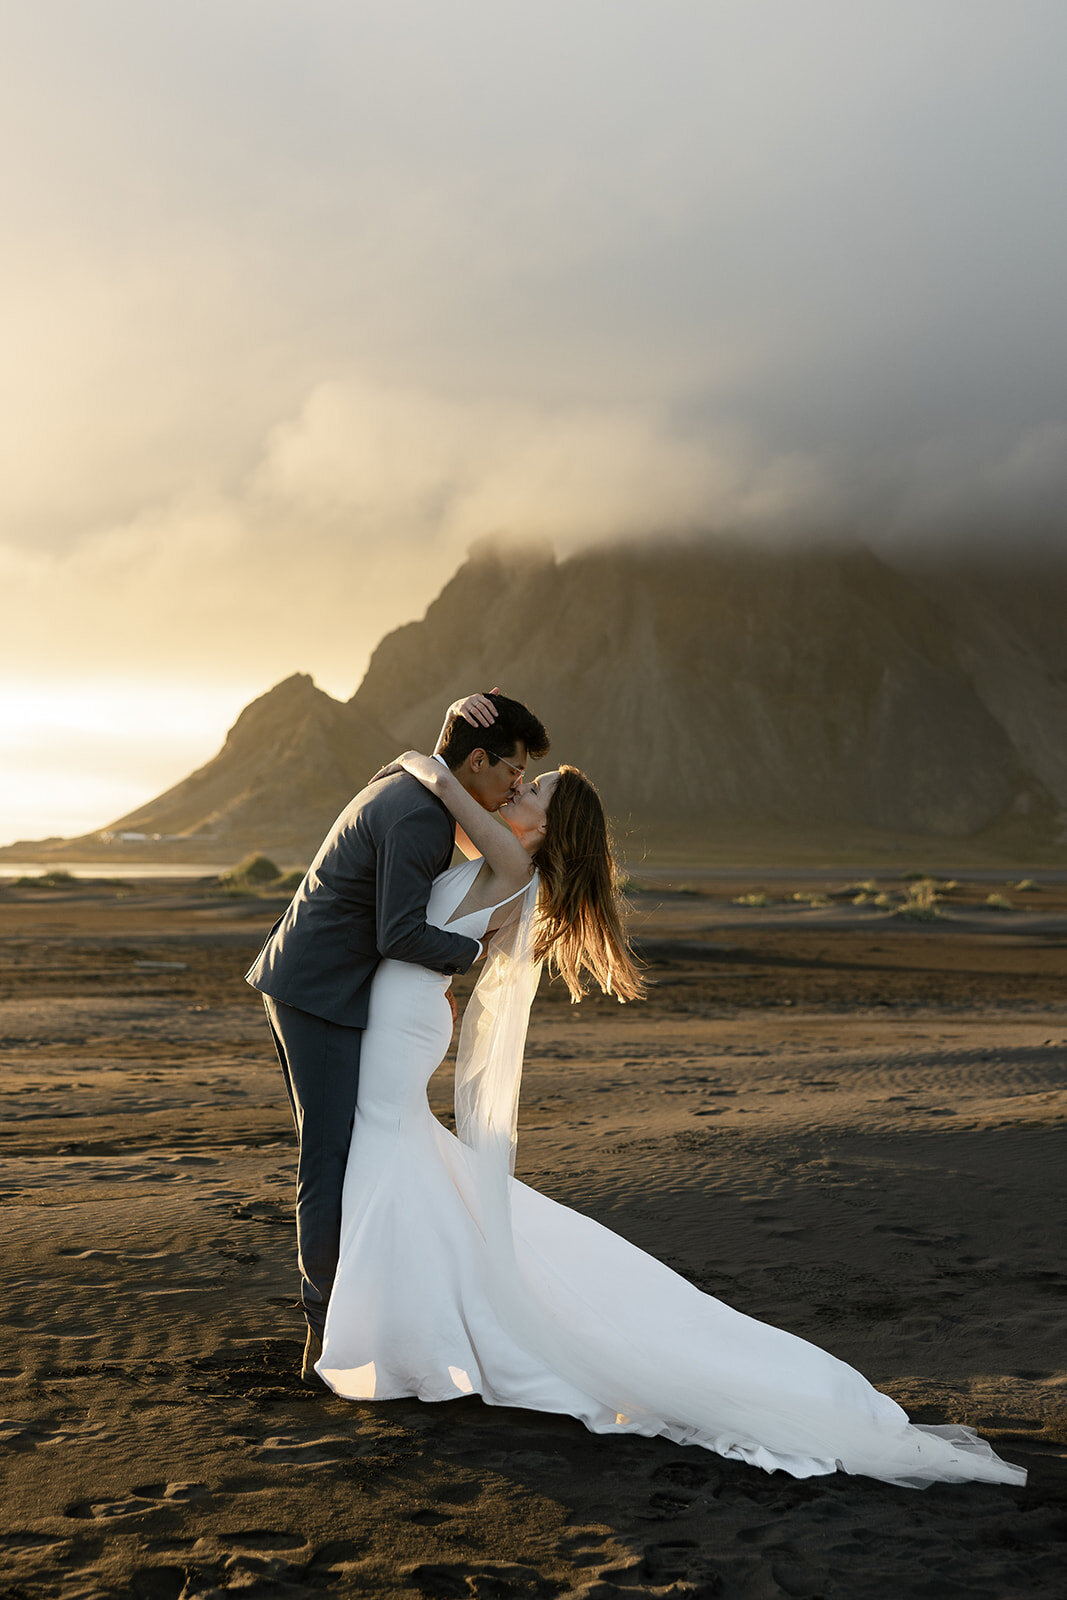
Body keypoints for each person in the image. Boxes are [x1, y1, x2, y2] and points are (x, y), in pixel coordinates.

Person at [316, 696, 1024, 1490]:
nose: (520, 792)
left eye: (534, 793)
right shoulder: (505, 861)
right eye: (522, 780)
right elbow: (451, 816)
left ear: (547, 832)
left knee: (392, 1150)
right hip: (407, 1018)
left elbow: (444, 786)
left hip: (403, 1025)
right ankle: (402, 1331)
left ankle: (388, 1336)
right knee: (406, 1162)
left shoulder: (513, 863)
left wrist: (423, 754)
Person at [246, 689, 550, 1382]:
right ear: (477, 760)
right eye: (510, 771)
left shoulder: (412, 786)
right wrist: (475, 955)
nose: (512, 785)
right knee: (329, 1156)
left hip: (314, 984)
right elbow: (400, 934)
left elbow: (439, 791)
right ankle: (323, 1326)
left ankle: (356, 1309)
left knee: (344, 1150)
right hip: (321, 996)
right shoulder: (418, 815)